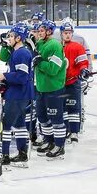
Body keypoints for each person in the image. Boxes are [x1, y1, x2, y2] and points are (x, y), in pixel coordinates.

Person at [0, 23, 34, 169]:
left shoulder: (22, 53)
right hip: (19, 94)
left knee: (5, 124)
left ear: (19, 38)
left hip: (18, 95)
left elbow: (22, 77)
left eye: (12, 36)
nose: (9, 38)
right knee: (19, 125)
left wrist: (4, 76)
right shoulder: (18, 52)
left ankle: (5, 158)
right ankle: (22, 155)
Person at [33, 20, 68, 159]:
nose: (39, 33)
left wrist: (40, 62)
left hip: (54, 88)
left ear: (49, 31)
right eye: (39, 30)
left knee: (56, 117)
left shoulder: (55, 46)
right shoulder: (40, 44)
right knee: (42, 116)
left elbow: (53, 69)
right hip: (41, 87)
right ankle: (49, 141)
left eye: (42, 30)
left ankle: (59, 145)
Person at [60, 21, 89, 143]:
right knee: (62, 108)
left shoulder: (78, 47)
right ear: (61, 34)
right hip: (59, 84)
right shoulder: (56, 46)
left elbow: (83, 63)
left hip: (73, 83)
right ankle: (65, 130)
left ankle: (74, 132)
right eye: (65, 33)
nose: (68, 35)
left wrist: (84, 70)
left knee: (73, 107)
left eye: (70, 33)